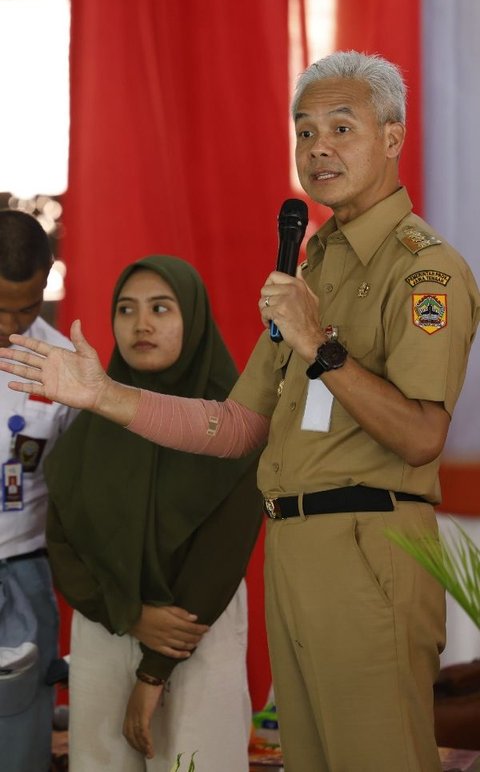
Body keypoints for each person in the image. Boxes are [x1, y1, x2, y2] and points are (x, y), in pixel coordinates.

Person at [1, 50, 479, 772]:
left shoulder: (426, 269)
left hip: (368, 542)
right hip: (292, 547)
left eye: (340, 128)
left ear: (391, 136)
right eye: (303, 130)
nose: (317, 146)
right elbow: (234, 427)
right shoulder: (312, 267)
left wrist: (317, 341)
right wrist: (103, 396)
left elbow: (419, 434)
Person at [42, 255, 263, 772]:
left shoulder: (230, 422)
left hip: (194, 631)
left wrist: (154, 671)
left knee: (194, 761)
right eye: (126, 309)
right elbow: (62, 540)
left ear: (193, 317)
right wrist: (128, 613)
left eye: (161, 309)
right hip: (106, 626)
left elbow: (221, 556)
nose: (141, 324)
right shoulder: (92, 423)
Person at [0, 209, 76, 772]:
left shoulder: (64, 366)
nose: (9, 324)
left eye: (24, 309)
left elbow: (80, 486)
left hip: (25, 570)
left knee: (21, 741)